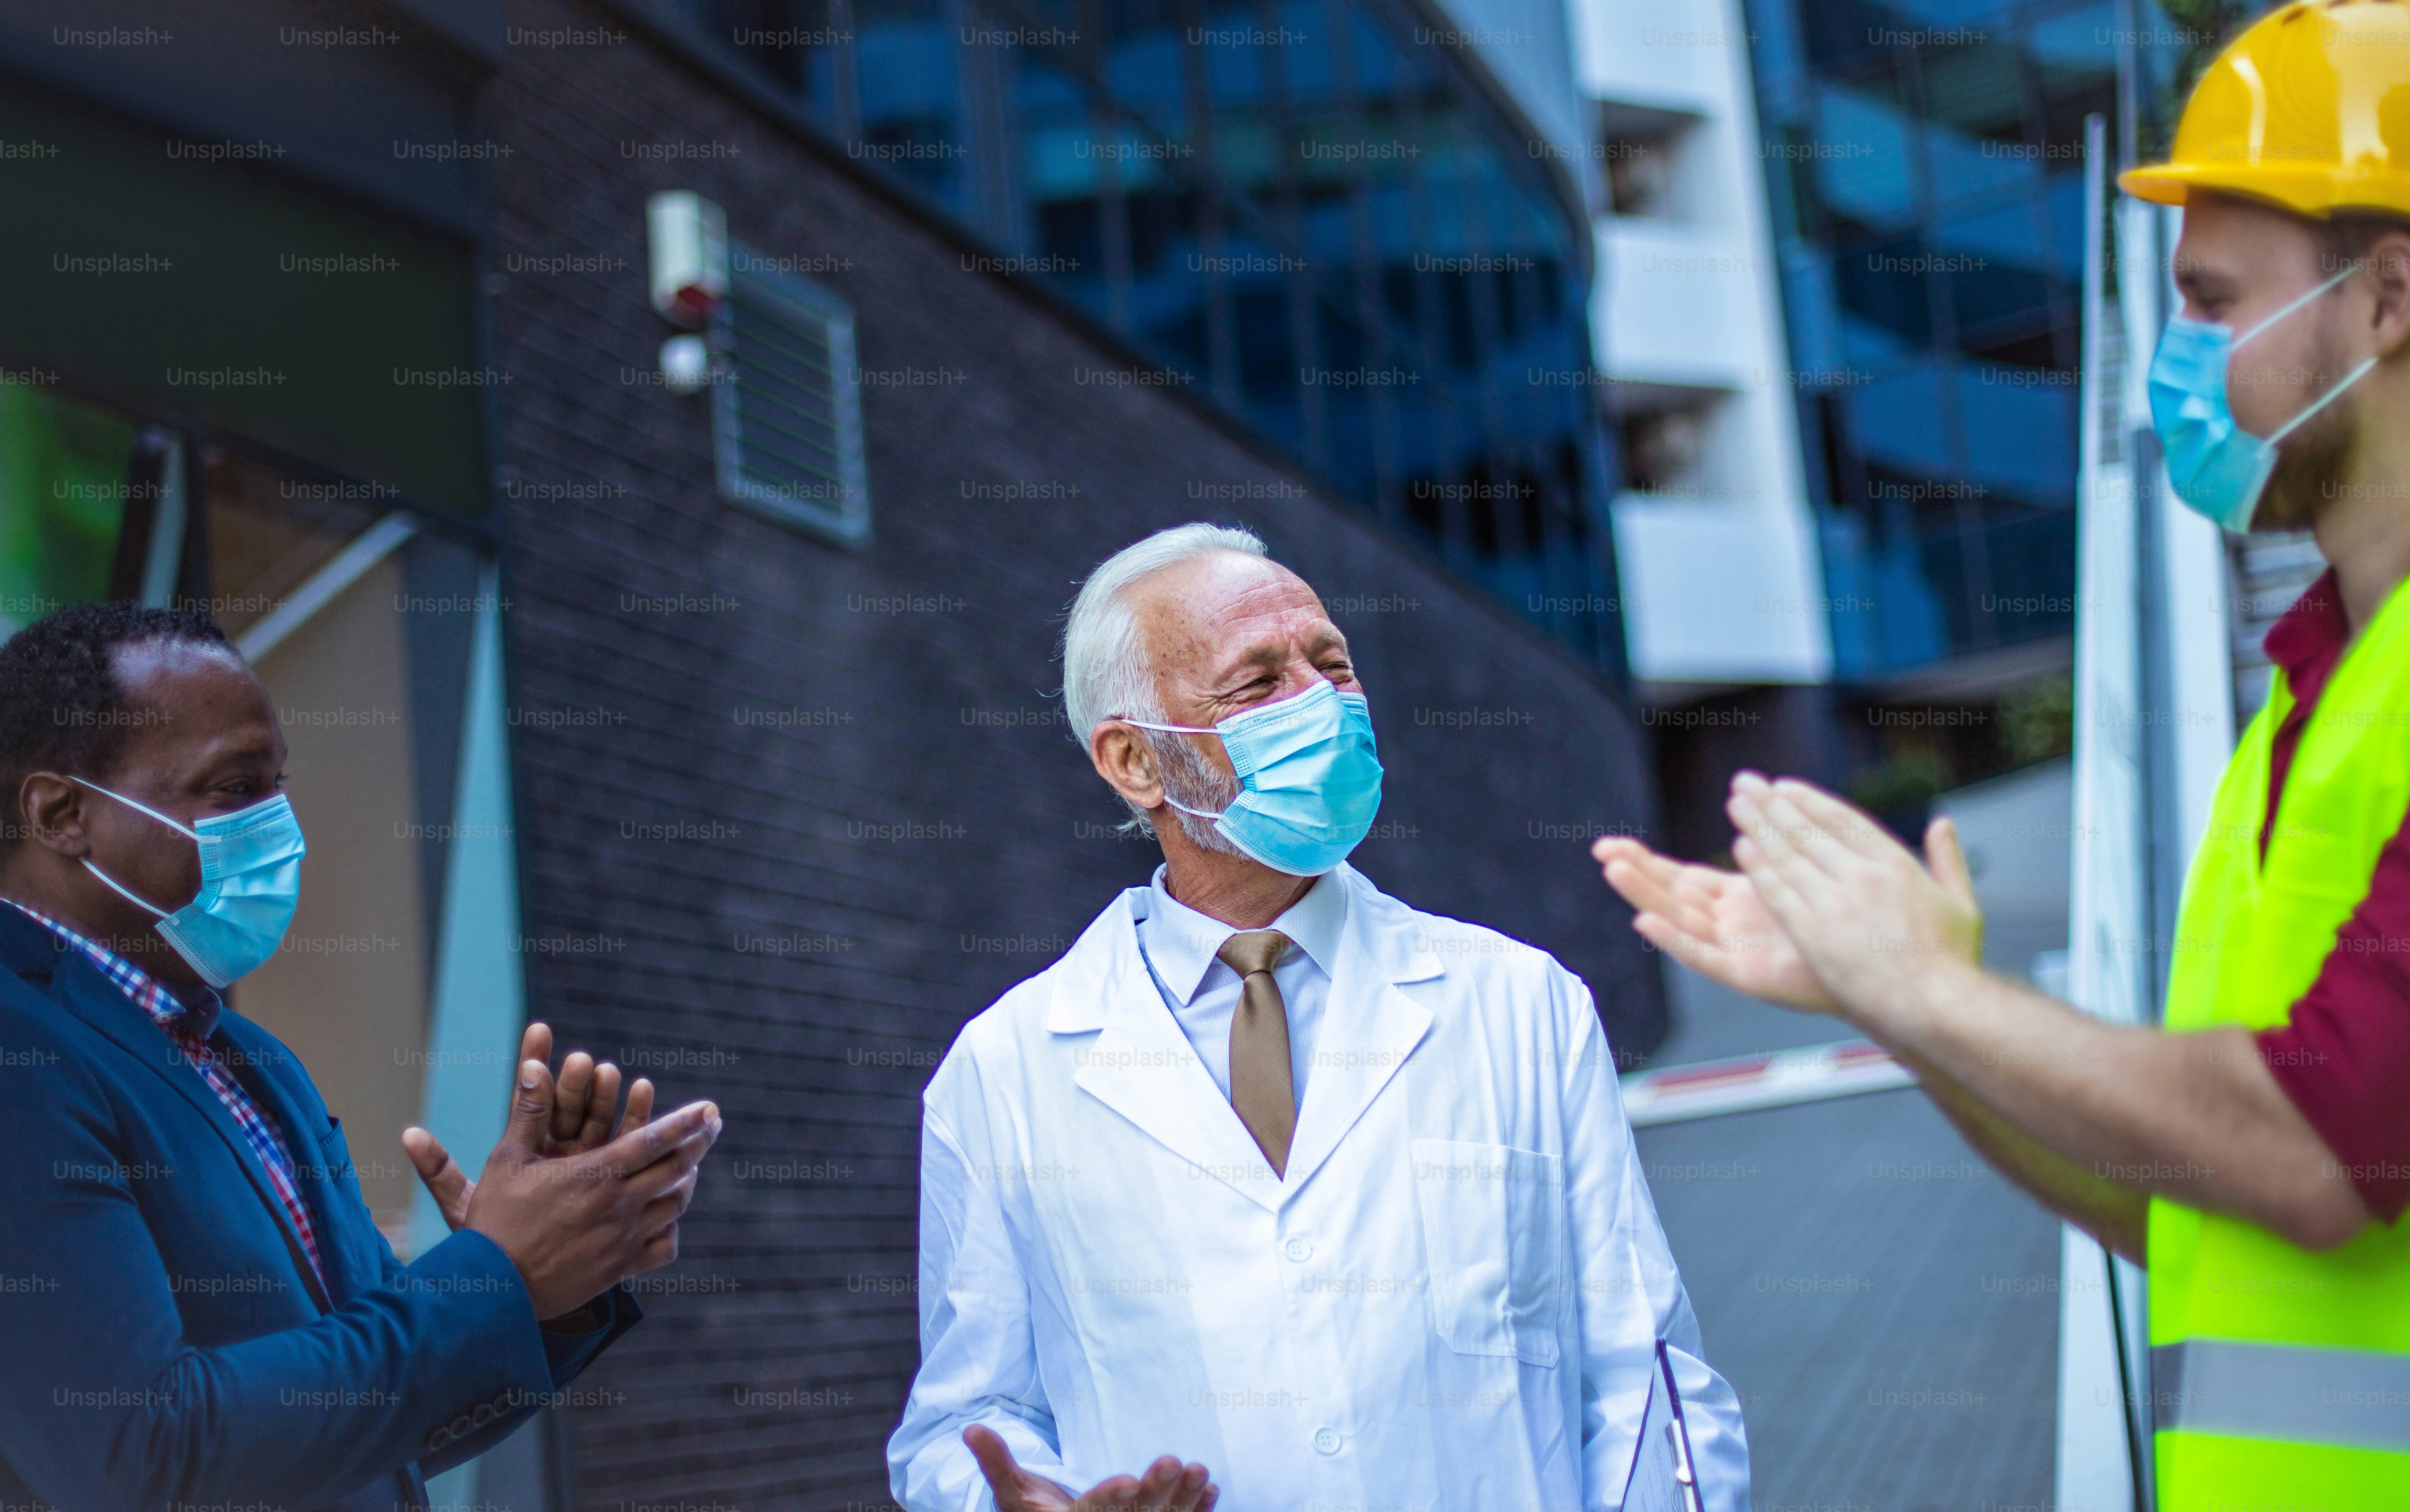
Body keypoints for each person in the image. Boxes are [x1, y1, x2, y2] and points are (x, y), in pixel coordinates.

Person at [1599, 6, 2410, 1505]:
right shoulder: (2311, 702)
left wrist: (1931, 982)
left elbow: (2318, 1151)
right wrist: (1907, 1008)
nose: (2179, 363)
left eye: (2217, 300)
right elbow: (2192, 1203)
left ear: (2388, 297)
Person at [887, 524, 1749, 1512]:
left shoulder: (1520, 1002)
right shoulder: (1001, 1073)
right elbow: (965, 1420)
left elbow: (1645, 1373)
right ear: (1133, 762)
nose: (1322, 705)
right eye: (1257, 685)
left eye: (1331, 665)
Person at [0, 601, 723, 1510]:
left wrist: (552, 1278)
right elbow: (142, 1451)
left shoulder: (249, 1061)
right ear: (63, 815)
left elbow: (383, 1427)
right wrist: (491, 1275)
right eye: (234, 788)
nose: (282, 827)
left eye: (278, 785)